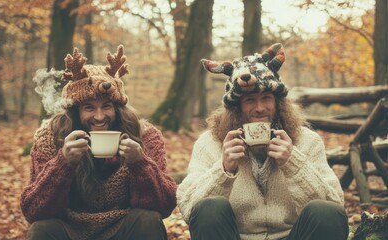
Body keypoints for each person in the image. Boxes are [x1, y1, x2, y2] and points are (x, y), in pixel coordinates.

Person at [176, 43, 348, 240]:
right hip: (235, 236)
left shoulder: (307, 140)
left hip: (292, 236)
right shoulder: (210, 143)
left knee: (326, 212)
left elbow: (334, 205)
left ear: (278, 102)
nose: (259, 108)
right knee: (209, 207)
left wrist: (293, 163)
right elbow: (189, 207)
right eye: (249, 100)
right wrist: (223, 170)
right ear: (236, 107)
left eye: (266, 98)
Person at [20, 45, 177, 240]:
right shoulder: (50, 137)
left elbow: (164, 206)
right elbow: (33, 210)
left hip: (123, 226)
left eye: (106, 106)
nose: (99, 116)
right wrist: (63, 163)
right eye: (89, 108)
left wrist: (140, 163)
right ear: (75, 111)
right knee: (40, 228)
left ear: (118, 108)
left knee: (148, 219)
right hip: (71, 228)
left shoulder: (145, 135)